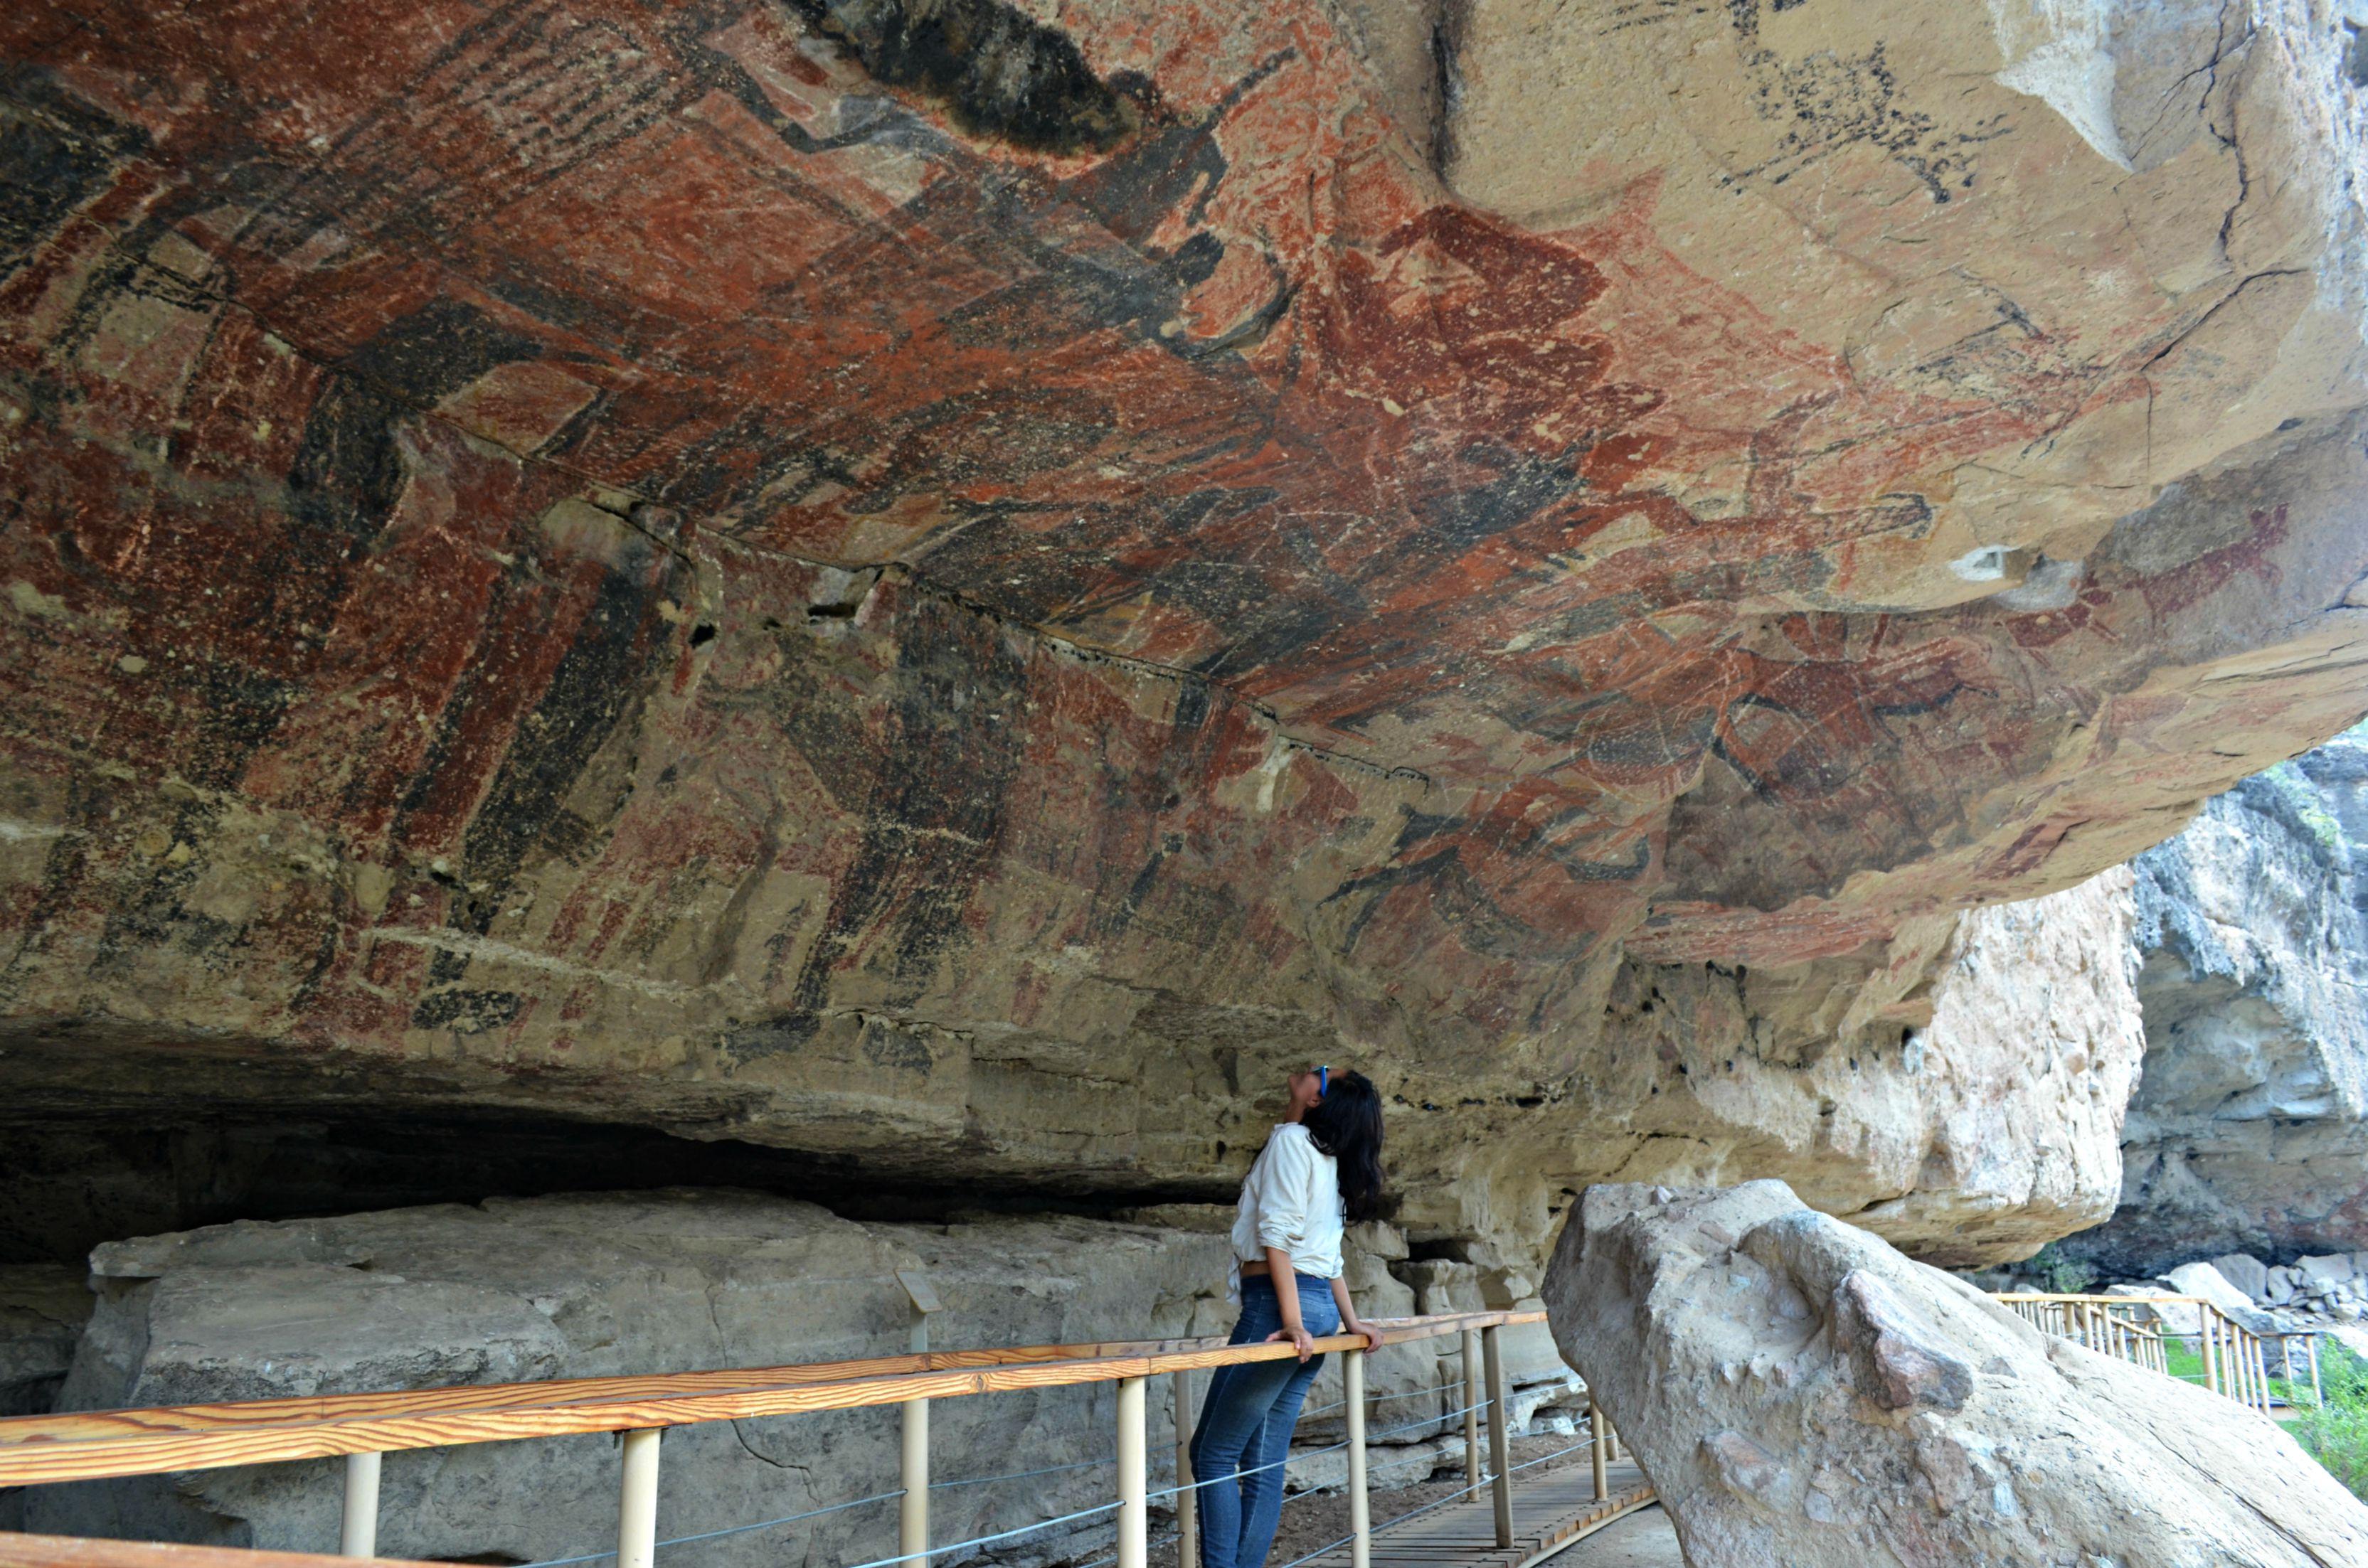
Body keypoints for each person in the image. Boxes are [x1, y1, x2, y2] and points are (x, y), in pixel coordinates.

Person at [1189, 1065, 1387, 1568]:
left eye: (1320, 1074)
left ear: (1318, 1100)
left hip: (1277, 1306)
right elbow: (1330, 1260)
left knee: (1211, 1454)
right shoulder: (1327, 1156)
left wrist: (1292, 1320)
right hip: (1316, 1305)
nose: (1309, 1069)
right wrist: (1349, 1319)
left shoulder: (1292, 1144)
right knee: (1261, 1460)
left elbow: (1277, 1238)